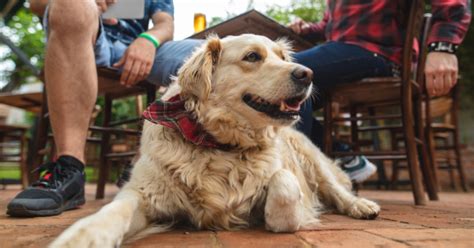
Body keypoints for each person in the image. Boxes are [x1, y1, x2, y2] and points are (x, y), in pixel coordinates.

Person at [7, 0, 202, 217]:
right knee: (71, 4)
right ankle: (70, 167)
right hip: (87, 37)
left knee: (208, 55)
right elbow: (36, 4)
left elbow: (165, 24)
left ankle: (156, 165)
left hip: (138, 45)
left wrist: (148, 39)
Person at [288, 0, 471, 182]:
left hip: (381, 53)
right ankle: (342, 158)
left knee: (286, 73)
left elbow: (452, 3)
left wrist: (443, 47)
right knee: (281, 88)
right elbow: (328, 25)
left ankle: (295, 180)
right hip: (341, 51)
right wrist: (305, 29)